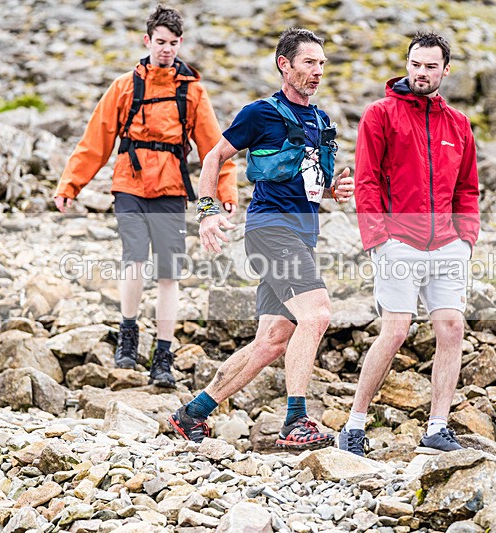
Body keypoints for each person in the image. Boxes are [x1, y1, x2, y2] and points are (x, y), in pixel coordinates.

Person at [168, 27, 355, 449]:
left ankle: (192, 413)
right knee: (318, 314)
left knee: (271, 340)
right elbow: (214, 156)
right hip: (271, 229)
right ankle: (296, 421)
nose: (318, 71)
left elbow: (307, 180)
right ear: (284, 65)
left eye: (322, 63)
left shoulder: (320, 119)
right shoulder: (259, 113)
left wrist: (332, 190)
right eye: (309, 62)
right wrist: (206, 212)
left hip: (302, 234)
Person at [54, 5, 237, 388]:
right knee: (134, 261)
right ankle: (128, 337)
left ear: (180, 43)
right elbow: (96, 141)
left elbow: (214, 148)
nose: (166, 49)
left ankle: (163, 356)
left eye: (173, 43)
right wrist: (70, 185)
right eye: (160, 42)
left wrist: (225, 190)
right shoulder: (124, 87)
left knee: (169, 274)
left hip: (171, 188)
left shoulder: (192, 92)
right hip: (129, 186)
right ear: (147, 40)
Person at [343, 31, 480, 456]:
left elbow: (468, 188)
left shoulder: (458, 124)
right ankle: (354, 425)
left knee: (452, 328)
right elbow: (365, 180)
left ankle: (437, 428)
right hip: (397, 241)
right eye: (415, 65)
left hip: (448, 245)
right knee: (397, 329)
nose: (422, 73)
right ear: (407, 65)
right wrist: (377, 239)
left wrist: (467, 239)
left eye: (431, 67)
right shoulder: (380, 115)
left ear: (445, 70)